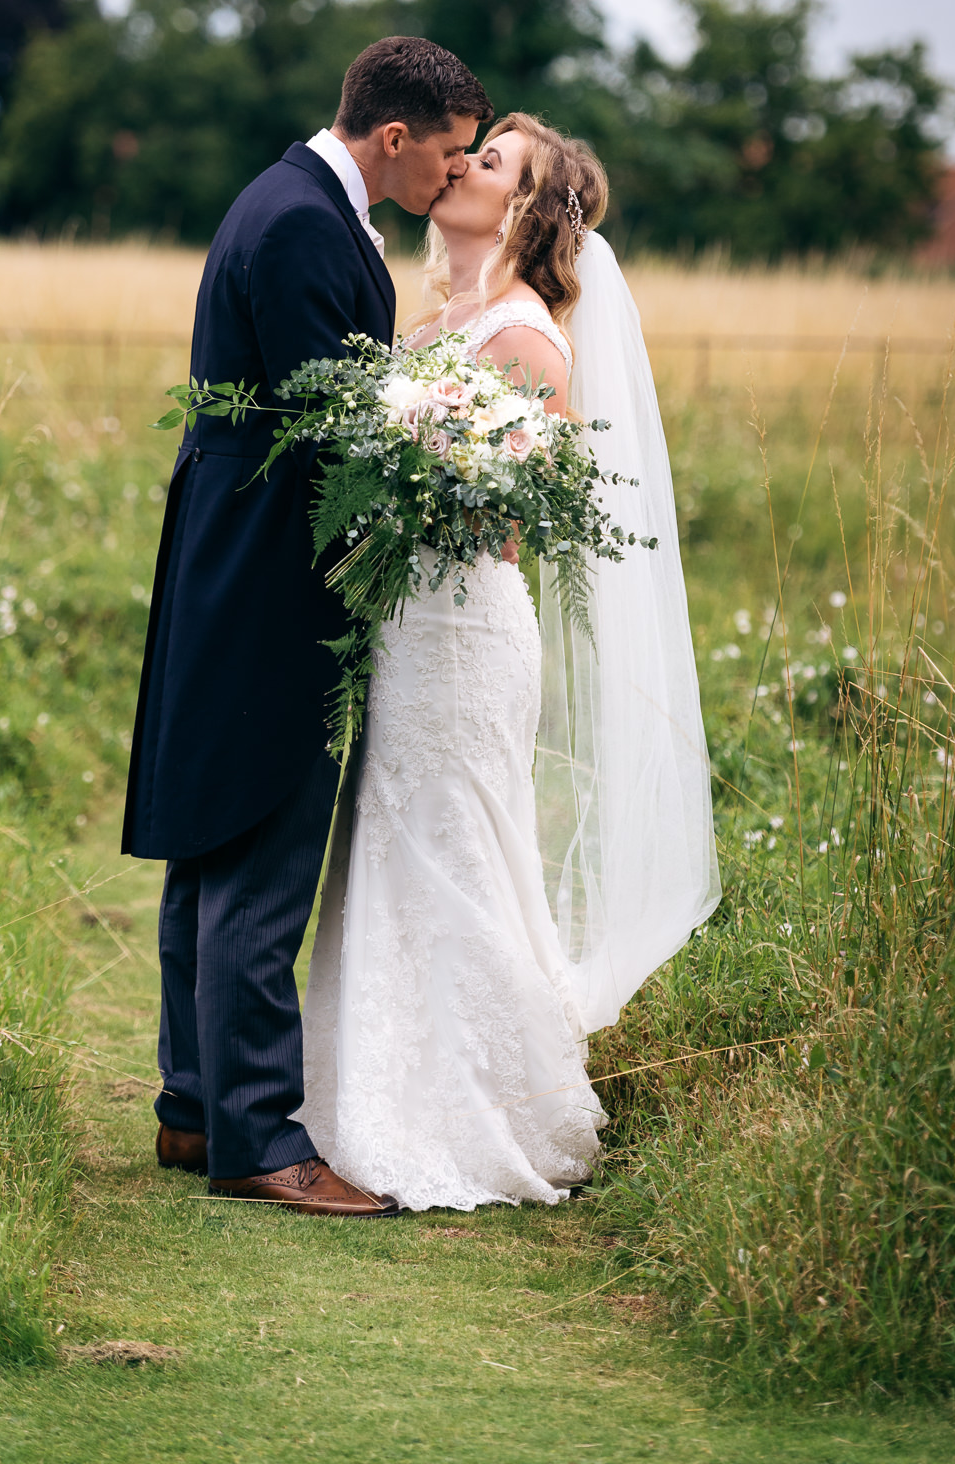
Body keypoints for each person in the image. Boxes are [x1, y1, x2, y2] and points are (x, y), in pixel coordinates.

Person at [298, 113, 721, 1211]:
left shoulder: (528, 336)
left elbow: (525, 515)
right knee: (390, 844)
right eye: (472, 151)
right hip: (407, 627)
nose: (463, 166)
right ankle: (368, 1090)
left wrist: (433, 477)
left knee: (462, 850)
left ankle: (482, 1109)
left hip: (467, 632)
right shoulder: (443, 318)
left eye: (491, 161)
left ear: (530, 207)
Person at [122, 35, 491, 1216]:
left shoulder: (293, 202)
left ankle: (194, 1108)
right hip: (274, 562)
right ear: (397, 137)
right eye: (451, 151)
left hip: (238, 550)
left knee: (217, 835)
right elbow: (335, 429)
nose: (454, 171)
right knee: (265, 834)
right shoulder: (297, 223)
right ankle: (259, 1139)